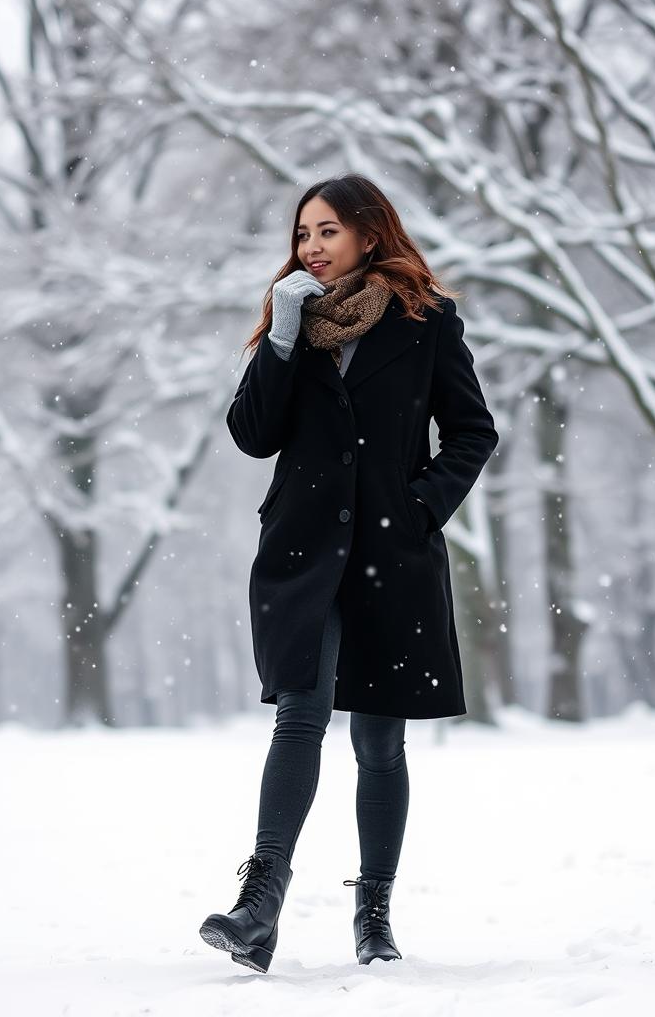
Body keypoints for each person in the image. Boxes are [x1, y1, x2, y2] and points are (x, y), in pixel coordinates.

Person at [199, 173, 500, 972]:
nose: (311, 247)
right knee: (301, 712)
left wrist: (420, 506)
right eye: (302, 233)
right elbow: (252, 434)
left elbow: (473, 432)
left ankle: (373, 915)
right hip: (301, 555)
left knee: (378, 741)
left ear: (369, 234)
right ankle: (259, 904)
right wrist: (283, 337)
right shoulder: (290, 324)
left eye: (327, 231)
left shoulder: (427, 322)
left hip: (391, 557)